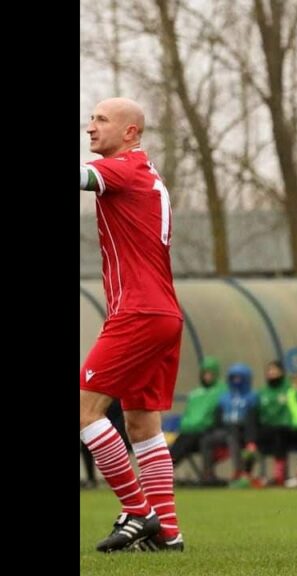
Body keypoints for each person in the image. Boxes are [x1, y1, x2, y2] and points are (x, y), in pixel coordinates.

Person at [79, 97, 185, 552]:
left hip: (139, 313)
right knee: (141, 423)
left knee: (84, 411)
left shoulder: (124, 168)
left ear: (131, 132)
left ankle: (139, 511)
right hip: (160, 313)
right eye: (91, 119)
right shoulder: (143, 173)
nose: (90, 127)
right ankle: (169, 534)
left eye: (101, 119)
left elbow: (84, 177)